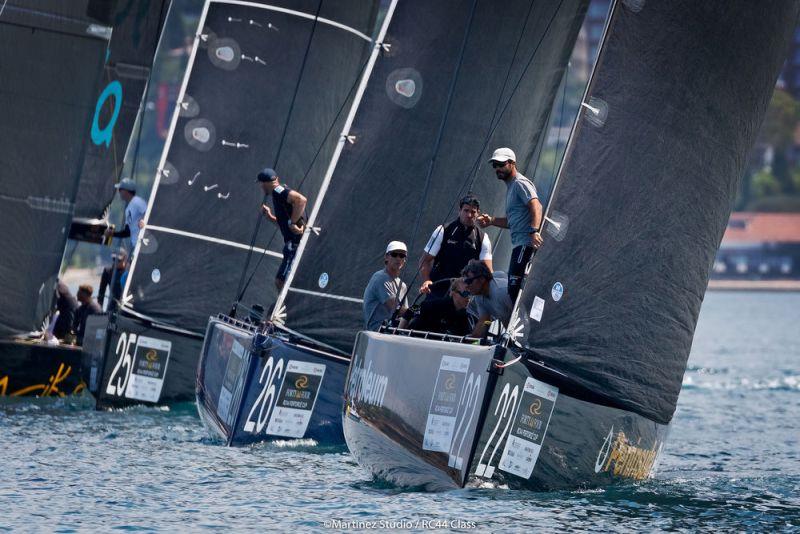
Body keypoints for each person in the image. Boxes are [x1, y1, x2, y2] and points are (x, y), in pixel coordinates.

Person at [477, 147, 543, 301]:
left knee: (514, 288)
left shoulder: (520, 183)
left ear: (512, 163)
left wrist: (534, 231)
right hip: (519, 245)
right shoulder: (511, 187)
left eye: (501, 164)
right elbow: (512, 221)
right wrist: (492, 221)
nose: (497, 168)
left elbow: (537, 206)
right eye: (495, 165)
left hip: (525, 244)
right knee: (512, 289)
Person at [418, 194, 492, 299]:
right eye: (466, 211)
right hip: (439, 288)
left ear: (478, 213)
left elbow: (488, 272)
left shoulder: (483, 238)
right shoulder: (443, 230)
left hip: (464, 293)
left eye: (473, 212)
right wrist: (427, 280)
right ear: (459, 211)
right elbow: (424, 261)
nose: (469, 215)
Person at [257, 167, 307, 289]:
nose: (261, 187)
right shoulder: (277, 194)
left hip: (294, 244)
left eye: (261, 184)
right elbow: (284, 224)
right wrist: (269, 217)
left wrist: (293, 222)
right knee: (284, 281)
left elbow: (301, 200)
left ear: (265, 183)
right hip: (292, 242)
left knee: (280, 282)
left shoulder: (278, 192)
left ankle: (286, 307)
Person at [363, 241, 409, 331]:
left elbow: (405, 315)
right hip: (376, 335)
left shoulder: (403, 286)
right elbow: (396, 309)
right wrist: (420, 314)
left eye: (402, 256)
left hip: (392, 334)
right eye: (394, 254)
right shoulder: (380, 278)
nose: (398, 258)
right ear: (386, 257)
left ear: (404, 260)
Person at [401, 278, 472, 336]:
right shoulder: (436, 306)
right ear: (453, 293)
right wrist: (400, 331)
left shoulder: (464, 316)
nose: (468, 298)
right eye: (465, 294)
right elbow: (413, 309)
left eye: (470, 294)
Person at [461, 260, 513, 338]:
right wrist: (470, 340)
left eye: (469, 281)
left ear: (482, 279)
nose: (466, 286)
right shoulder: (479, 296)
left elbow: (524, 315)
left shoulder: (502, 292)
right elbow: (484, 320)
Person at [105, 178, 147, 251]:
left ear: (125, 191)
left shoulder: (137, 202)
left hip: (143, 244)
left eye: (120, 190)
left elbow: (149, 213)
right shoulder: (129, 208)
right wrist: (112, 234)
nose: (118, 192)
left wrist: (144, 221)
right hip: (136, 246)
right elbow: (127, 232)